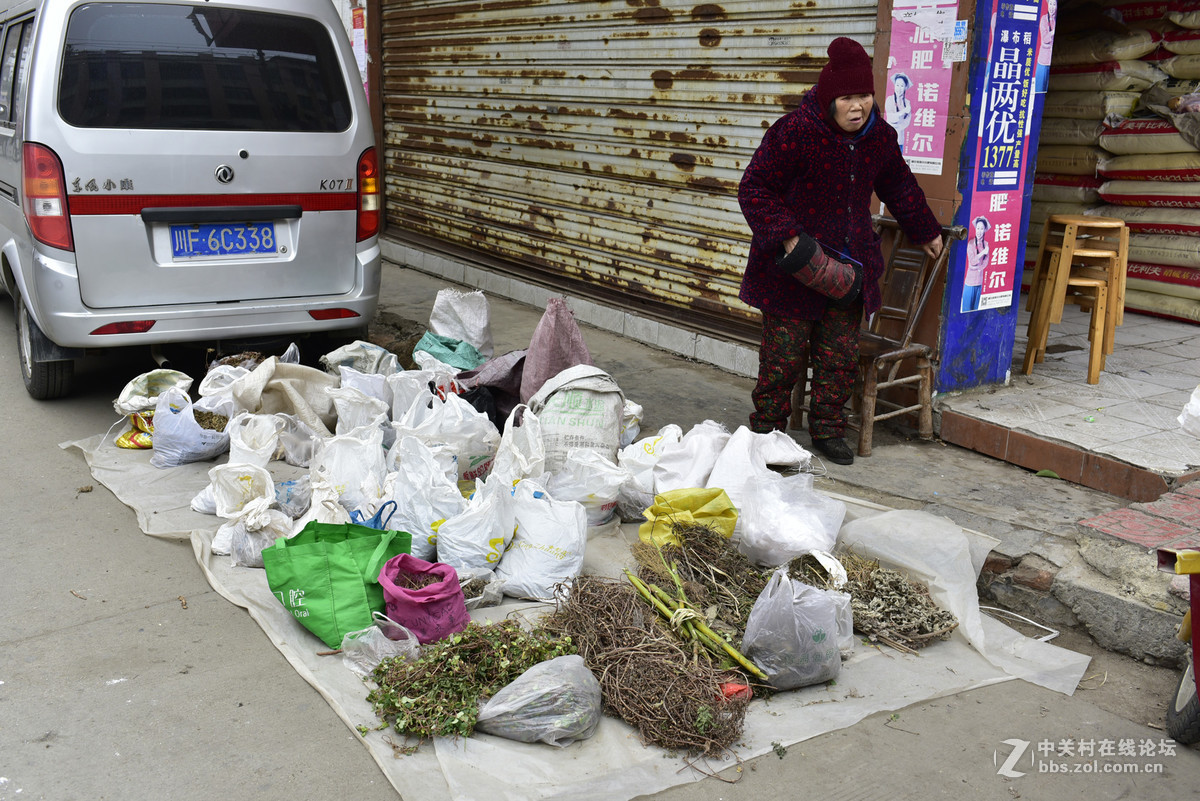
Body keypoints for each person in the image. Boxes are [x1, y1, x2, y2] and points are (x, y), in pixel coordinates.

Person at [738, 37, 943, 466]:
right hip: (792, 269)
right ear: (830, 98)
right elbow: (754, 188)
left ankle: (828, 430)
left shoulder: (879, 138)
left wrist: (924, 228)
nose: (858, 105)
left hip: (848, 271)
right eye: (848, 97)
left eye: (865, 95)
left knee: (838, 358)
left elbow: (899, 185)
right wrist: (788, 235)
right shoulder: (795, 132)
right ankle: (766, 434)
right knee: (782, 359)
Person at [962, 215, 990, 312]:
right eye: (978, 228)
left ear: (984, 230)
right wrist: (983, 252)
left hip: (979, 280)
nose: (979, 231)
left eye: (982, 228)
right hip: (970, 281)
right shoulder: (970, 244)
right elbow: (972, 261)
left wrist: (980, 268)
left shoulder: (986, 244)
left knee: (975, 310)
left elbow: (986, 260)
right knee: (966, 309)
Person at [885, 72, 913, 152]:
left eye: (902, 86)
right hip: (888, 139)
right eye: (897, 85)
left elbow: (907, 121)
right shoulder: (890, 99)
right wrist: (903, 111)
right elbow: (890, 117)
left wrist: (898, 126)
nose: (899, 88)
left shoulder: (907, 103)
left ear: (905, 88)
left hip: (900, 139)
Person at [1035, 0, 1057, 93]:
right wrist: (1052, 33)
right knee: (1039, 90)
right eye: (1050, 4)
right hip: (1043, 61)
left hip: (1052, 61)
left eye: (1054, 4)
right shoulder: (1044, 19)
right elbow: (1045, 39)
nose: (1052, 7)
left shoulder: (1055, 20)